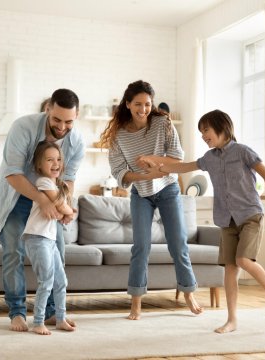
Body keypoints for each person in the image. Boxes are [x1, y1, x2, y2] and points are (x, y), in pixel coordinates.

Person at [152, 109, 265, 333]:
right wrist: (160, 167)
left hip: (250, 215)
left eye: (206, 130)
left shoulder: (243, 152)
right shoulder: (209, 159)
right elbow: (185, 167)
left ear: (223, 127)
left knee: (243, 260)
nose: (203, 135)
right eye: (201, 132)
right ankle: (232, 320)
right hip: (227, 220)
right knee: (229, 270)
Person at [99, 80, 202, 320]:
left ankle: (189, 293)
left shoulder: (162, 123)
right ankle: (136, 303)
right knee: (140, 247)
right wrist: (147, 174)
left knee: (178, 244)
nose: (143, 109)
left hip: (168, 189)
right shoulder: (118, 134)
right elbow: (119, 172)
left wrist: (153, 160)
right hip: (141, 193)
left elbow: (177, 157)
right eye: (138, 104)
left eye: (147, 104)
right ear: (127, 104)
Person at [0, 88, 85, 332]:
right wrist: (42, 200)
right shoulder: (23, 127)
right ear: (47, 110)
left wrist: (65, 206)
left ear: (77, 116)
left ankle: (53, 312)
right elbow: (13, 172)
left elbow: (69, 179)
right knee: (13, 253)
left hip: (52, 198)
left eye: (69, 121)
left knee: (57, 254)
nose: (62, 126)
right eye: (56, 119)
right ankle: (17, 312)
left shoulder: (76, 141)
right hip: (17, 195)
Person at [23, 140, 75, 335]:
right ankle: (38, 322)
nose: (55, 163)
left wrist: (67, 212)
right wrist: (69, 212)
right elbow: (62, 207)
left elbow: (62, 209)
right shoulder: (43, 182)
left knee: (61, 281)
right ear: (39, 165)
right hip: (36, 238)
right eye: (49, 160)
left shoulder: (55, 185)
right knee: (46, 281)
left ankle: (60, 318)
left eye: (59, 159)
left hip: (49, 239)